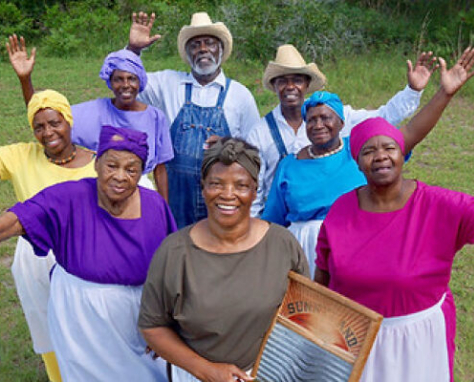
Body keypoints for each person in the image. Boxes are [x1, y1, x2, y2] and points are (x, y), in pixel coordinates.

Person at [314, 47, 474, 382]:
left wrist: (444, 94)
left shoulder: (439, 205)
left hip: (420, 340)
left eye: (389, 148)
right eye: (368, 151)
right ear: (357, 163)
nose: (381, 157)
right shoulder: (341, 211)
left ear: (403, 154)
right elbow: (323, 281)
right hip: (355, 342)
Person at [0, 125, 177, 381]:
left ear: (140, 174)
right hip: (81, 320)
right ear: (96, 164)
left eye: (131, 169)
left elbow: (171, 269)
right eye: (111, 165)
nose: (120, 176)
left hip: (139, 317)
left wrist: (165, 322)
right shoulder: (68, 197)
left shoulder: (155, 206)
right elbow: (15, 221)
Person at [138, 138, 309, 382]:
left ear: (254, 190)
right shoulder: (174, 252)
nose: (228, 195)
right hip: (196, 375)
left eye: (241, 185)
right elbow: (152, 326)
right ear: (203, 187)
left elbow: (305, 317)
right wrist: (206, 371)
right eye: (216, 184)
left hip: (270, 373)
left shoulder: (283, 245)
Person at [262, 50, 437, 277]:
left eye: (326, 118)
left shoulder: (358, 151)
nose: (318, 125)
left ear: (342, 122)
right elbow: (272, 219)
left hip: (358, 244)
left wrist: (419, 91)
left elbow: (408, 132)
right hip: (303, 252)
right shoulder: (289, 165)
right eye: (312, 120)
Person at [248, 44, 436, 217]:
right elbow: (254, 189)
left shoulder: (337, 115)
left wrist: (412, 90)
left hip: (341, 216)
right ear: (274, 86)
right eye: (282, 81)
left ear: (306, 84)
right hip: (287, 218)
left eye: (297, 80)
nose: (290, 87)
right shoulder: (259, 133)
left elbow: (384, 117)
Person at [127, 12, 261, 228]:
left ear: (221, 50)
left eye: (209, 43)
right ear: (188, 53)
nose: (202, 49)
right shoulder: (168, 83)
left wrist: (232, 147)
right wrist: (134, 50)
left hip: (223, 201)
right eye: (195, 44)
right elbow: (127, 82)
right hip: (175, 201)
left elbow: (255, 154)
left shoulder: (240, 95)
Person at [0, 89, 96, 381]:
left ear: (68, 121)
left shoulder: (98, 163)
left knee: (88, 330)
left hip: (85, 258)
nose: (48, 132)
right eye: (39, 127)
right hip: (35, 260)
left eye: (55, 123)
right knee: (47, 327)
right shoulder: (21, 156)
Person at [6, 35, 173, 200]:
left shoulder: (155, 117)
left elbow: (160, 168)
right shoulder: (93, 112)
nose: (125, 85)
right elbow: (45, 115)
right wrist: (25, 79)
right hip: (104, 190)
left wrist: (164, 207)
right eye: (118, 79)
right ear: (110, 82)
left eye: (132, 79)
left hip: (140, 191)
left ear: (141, 81)